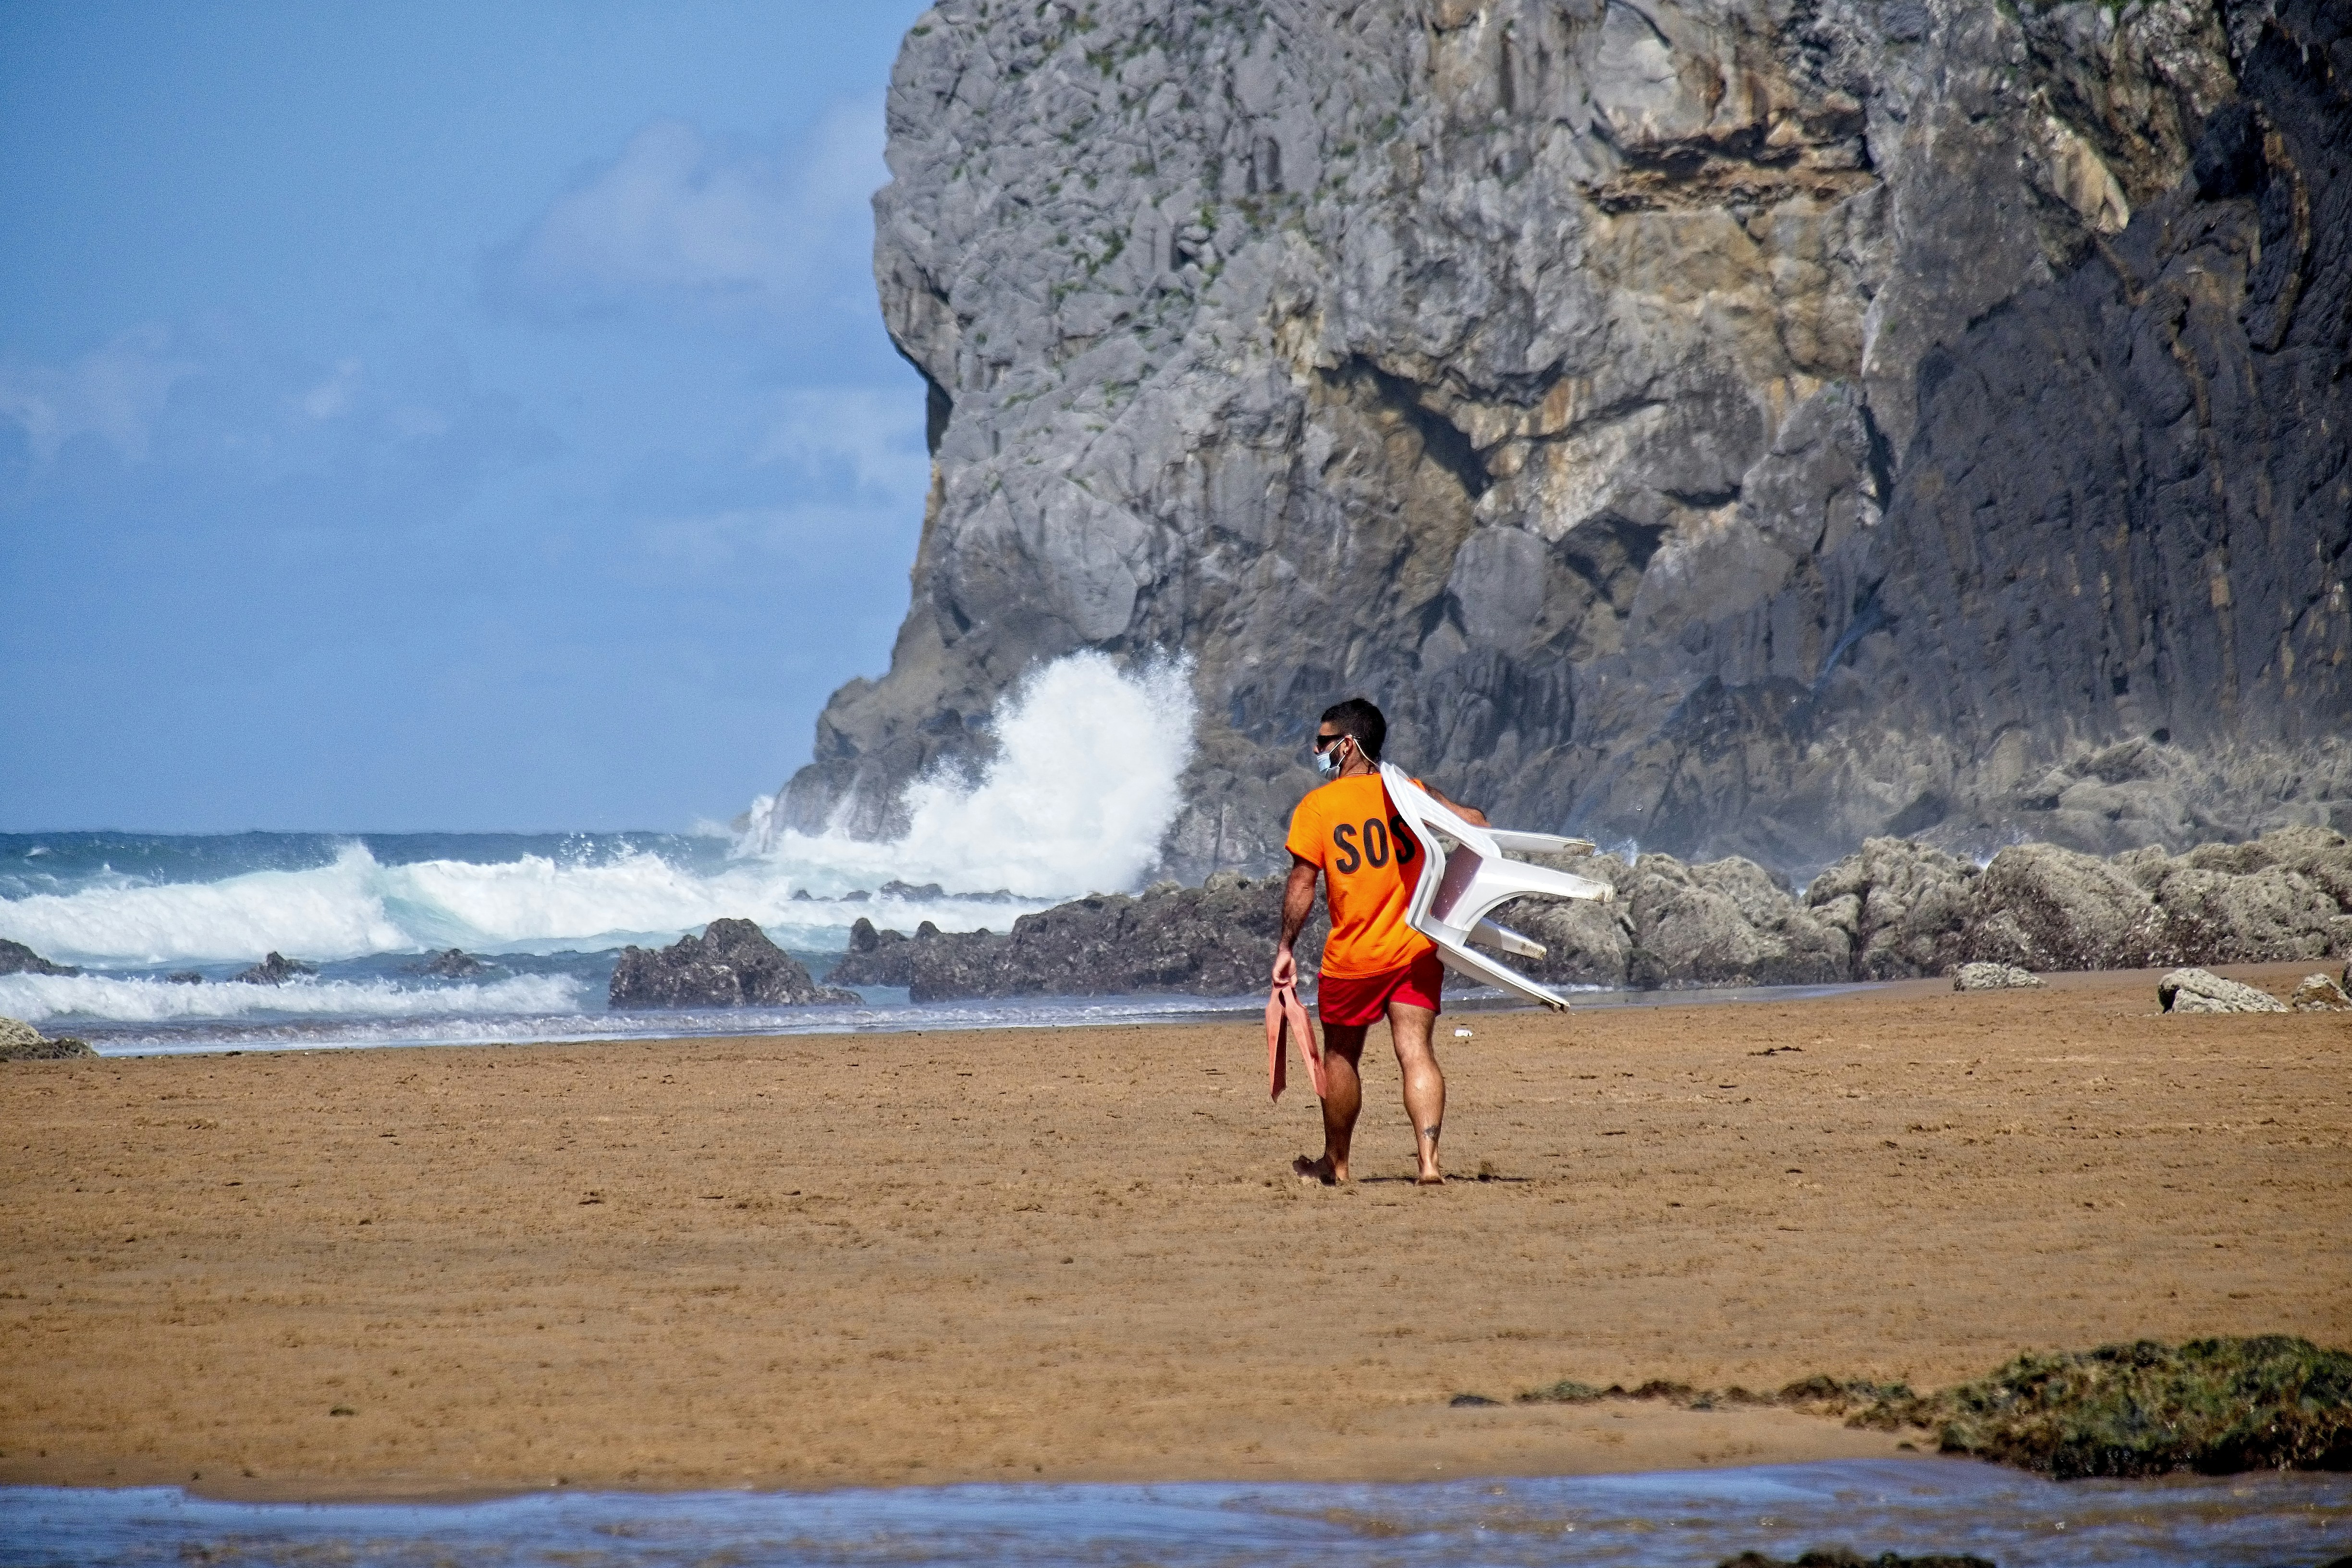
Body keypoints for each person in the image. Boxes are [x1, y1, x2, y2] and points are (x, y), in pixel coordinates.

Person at [1273, 697, 1487, 1185]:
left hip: (1355, 957)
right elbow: (1475, 824)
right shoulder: (1407, 794)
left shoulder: (1318, 807)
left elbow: (1303, 884)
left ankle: (1338, 1164)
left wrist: (1286, 946)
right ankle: (1429, 1164)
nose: (1316, 748)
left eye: (1324, 742)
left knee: (1341, 1056)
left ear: (1348, 745)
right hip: (1415, 949)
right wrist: (1429, 796)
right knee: (1416, 1051)